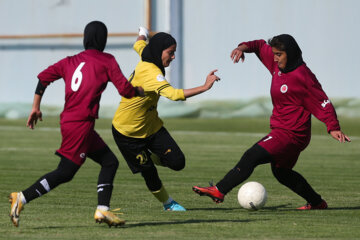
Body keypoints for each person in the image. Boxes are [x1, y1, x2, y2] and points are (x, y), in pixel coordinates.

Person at [9, 21, 144, 227]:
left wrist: (35, 106)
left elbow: (43, 78)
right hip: (80, 125)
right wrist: (138, 91)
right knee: (65, 172)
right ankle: (22, 197)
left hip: (74, 122)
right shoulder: (107, 60)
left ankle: (103, 210)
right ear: (104, 40)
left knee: (110, 161)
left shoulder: (71, 60)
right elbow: (125, 90)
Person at [193, 34, 351, 210]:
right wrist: (241, 48)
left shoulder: (303, 76)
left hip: (291, 134)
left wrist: (333, 127)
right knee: (281, 173)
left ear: (289, 53)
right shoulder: (278, 63)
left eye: (279, 55)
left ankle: (219, 190)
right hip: (283, 131)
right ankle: (317, 203)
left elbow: (323, 101)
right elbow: (259, 45)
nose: (275, 59)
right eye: (274, 54)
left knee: (252, 155)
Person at [112, 27, 220, 211]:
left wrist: (143, 32)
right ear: (159, 51)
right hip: (127, 133)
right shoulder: (151, 72)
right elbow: (174, 95)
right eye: (170, 53)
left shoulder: (148, 52)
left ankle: (151, 156)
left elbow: (138, 44)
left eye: (174, 52)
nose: (173, 57)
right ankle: (168, 203)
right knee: (149, 173)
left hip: (151, 127)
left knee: (178, 162)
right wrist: (204, 87)